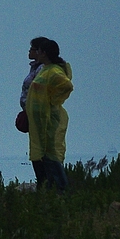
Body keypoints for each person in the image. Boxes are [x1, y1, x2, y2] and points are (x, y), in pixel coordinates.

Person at [25, 37, 73, 190]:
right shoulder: (45, 69)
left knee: (50, 154)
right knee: (44, 156)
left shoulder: (53, 71)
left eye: (38, 50)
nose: (36, 52)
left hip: (48, 119)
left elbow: (66, 85)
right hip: (39, 121)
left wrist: (52, 101)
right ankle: (49, 188)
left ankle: (60, 189)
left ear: (44, 53)